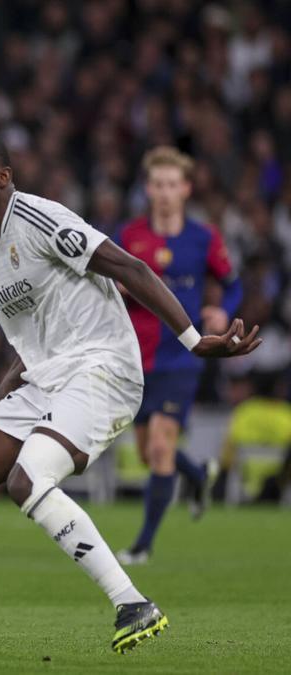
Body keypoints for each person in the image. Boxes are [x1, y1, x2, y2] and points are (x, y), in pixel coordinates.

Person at [0, 133, 260, 659]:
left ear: (3, 177)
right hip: (51, 378)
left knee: (27, 480)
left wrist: (195, 340)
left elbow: (130, 267)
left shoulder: (39, 218)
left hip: (102, 369)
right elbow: (28, 358)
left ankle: (133, 603)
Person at [113, 147, 239, 565]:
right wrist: (118, 288)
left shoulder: (204, 238)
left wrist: (222, 310)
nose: (165, 192)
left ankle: (142, 547)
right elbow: (104, 282)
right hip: (136, 356)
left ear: (185, 189)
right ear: (148, 189)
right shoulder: (129, 236)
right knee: (149, 452)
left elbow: (233, 284)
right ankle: (198, 475)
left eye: (172, 184)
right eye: (158, 184)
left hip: (182, 356)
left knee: (161, 446)